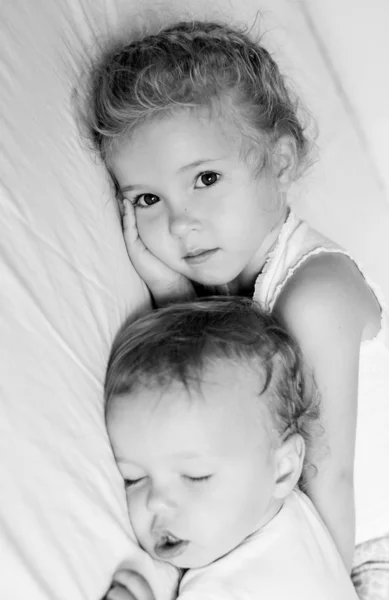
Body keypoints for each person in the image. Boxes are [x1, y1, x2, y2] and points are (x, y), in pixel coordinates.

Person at [85, 20, 389, 597]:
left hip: (364, 549)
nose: (179, 222)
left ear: (279, 162)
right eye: (148, 199)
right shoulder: (228, 286)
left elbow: (329, 481)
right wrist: (172, 294)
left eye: (205, 178)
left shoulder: (314, 297)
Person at [104, 297, 359, 600]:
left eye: (195, 476)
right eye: (133, 478)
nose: (156, 502)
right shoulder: (287, 518)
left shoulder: (234, 586)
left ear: (284, 470)